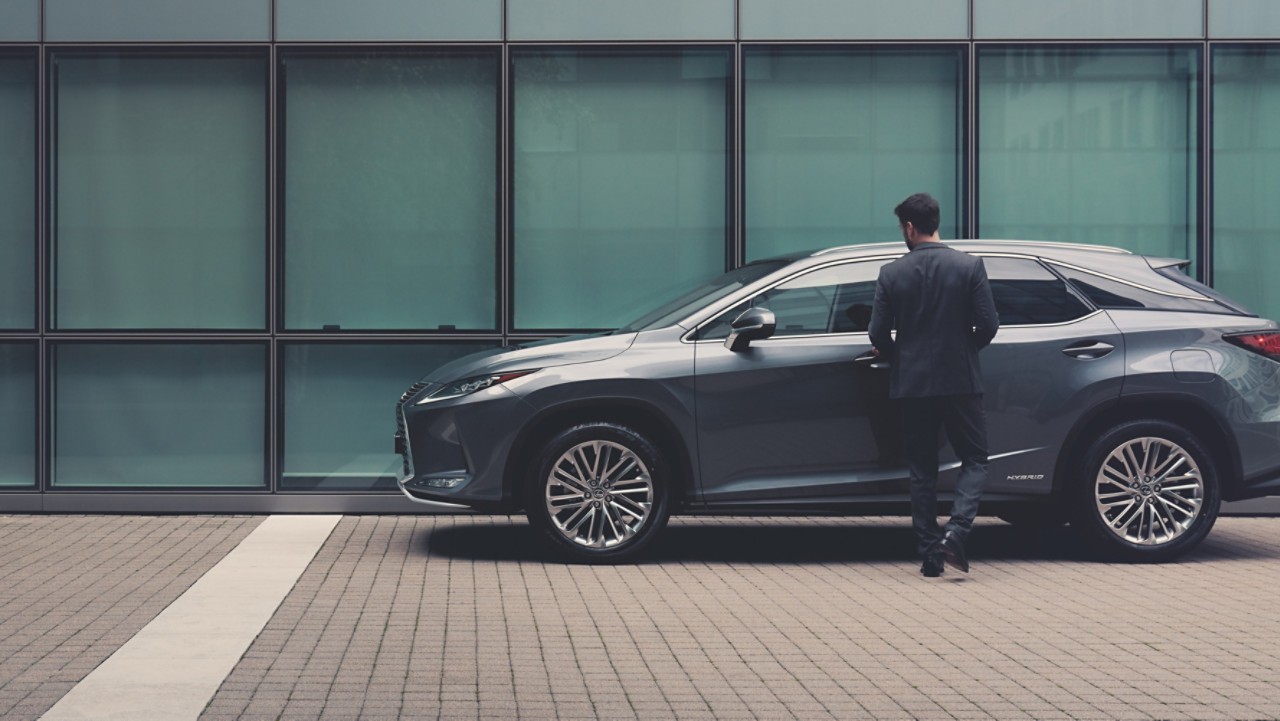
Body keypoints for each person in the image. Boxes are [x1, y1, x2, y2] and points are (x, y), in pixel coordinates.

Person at [868, 193, 999, 578]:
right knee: (975, 458)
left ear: (909, 227)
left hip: (912, 383)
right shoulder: (969, 266)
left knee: (922, 468)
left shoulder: (891, 273)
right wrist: (962, 350)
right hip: (960, 379)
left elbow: (876, 331)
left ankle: (930, 554)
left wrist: (900, 356)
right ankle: (956, 532)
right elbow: (989, 325)